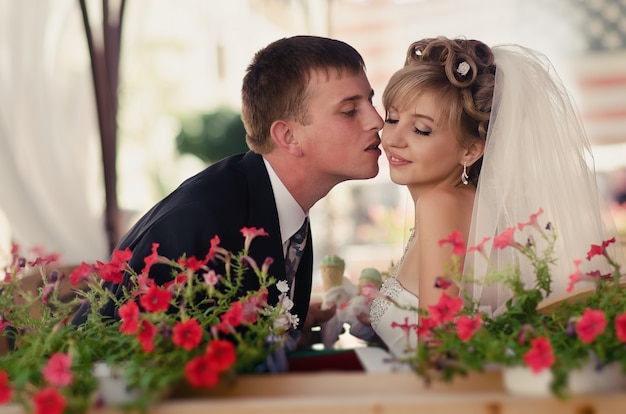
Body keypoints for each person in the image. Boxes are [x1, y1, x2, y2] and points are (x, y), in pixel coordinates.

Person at [73, 35, 384, 363]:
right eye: (350, 110)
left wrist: (286, 333)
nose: (376, 120)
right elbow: (134, 365)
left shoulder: (271, 203)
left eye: (369, 101)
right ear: (288, 136)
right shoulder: (206, 222)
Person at [370, 36, 622, 358]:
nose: (393, 138)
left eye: (421, 129)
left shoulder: (439, 205)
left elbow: (439, 351)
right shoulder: (469, 204)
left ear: (471, 149)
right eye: (392, 119)